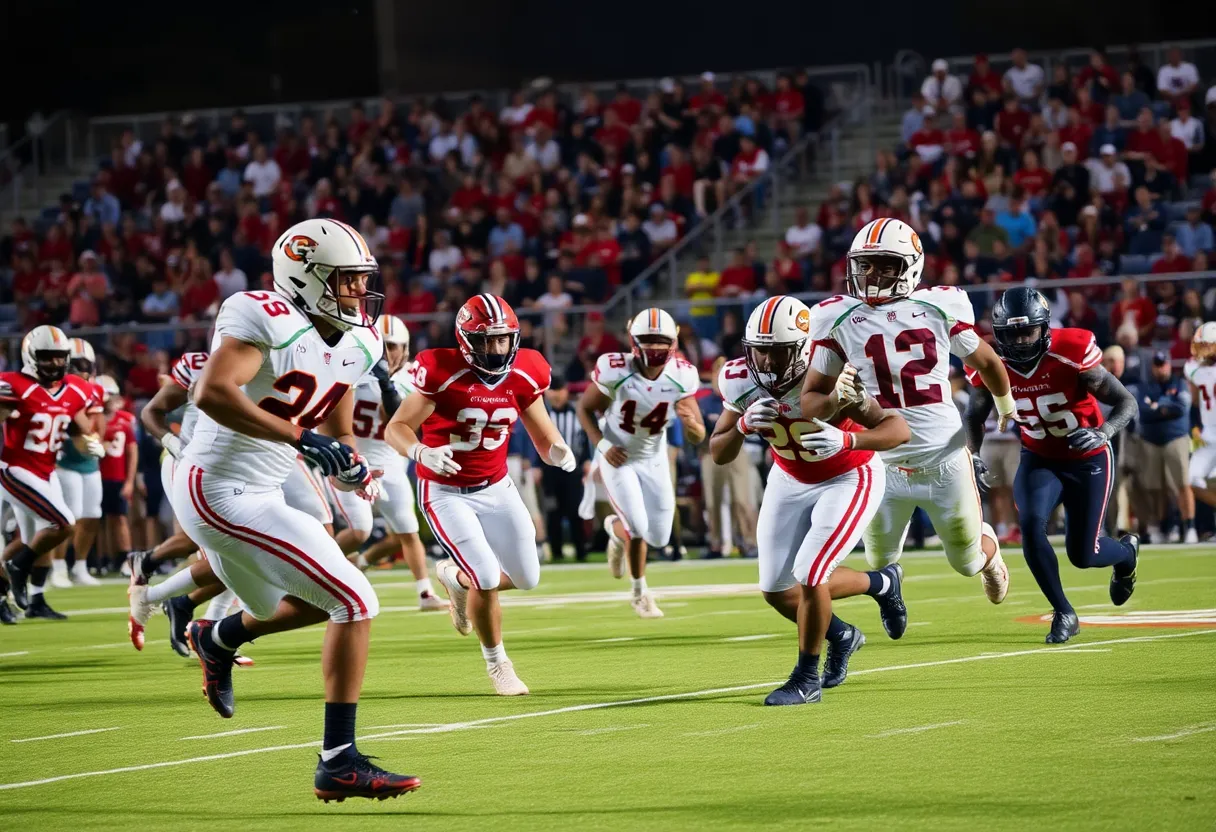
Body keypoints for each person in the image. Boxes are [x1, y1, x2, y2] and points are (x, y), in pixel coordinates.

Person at [163, 218, 419, 800]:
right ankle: (338, 761)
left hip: (265, 490)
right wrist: (301, 440)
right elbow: (213, 392)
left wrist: (350, 462)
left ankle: (219, 636)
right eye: (346, 280)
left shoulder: (361, 339)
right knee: (356, 599)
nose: (359, 291)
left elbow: (335, 417)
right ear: (305, 277)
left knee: (313, 599)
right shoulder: (263, 315)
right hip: (217, 486)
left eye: (361, 279)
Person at [801, 218, 1015, 604]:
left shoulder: (937, 307)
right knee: (880, 558)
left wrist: (1005, 403)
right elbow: (812, 398)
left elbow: (988, 361)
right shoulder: (838, 317)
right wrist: (837, 400)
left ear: (910, 266)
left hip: (943, 458)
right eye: (865, 264)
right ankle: (890, 593)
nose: (872, 274)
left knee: (966, 562)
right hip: (883, 463)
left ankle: (992, 556)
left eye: (885, 264)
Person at [710, 295, 910, 705]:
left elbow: (898, 430)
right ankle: (861, 609)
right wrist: (743, 425)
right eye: (758, 351)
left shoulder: (835, 373)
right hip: (789, 477)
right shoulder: (738, 378)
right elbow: (718, 451)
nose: (764, 362)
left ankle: (806, 678)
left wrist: (850, 436)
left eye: (776, 352)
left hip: (849, 474)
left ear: (802, 349)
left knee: (811, 572)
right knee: (775, 589)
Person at [387, 293, 577, 696]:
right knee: (487, 576)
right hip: (445, 491)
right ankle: (498, 664)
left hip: (497, 485)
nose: (495, 350)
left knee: (527, 577)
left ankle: (454, 578)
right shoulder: (441, 370)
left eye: (501, 340)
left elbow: (543, 435)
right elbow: (396, 427)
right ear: (465, 341)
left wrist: (558, 450)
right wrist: (420, 450)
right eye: (485, 341)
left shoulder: (527, 372)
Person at [967, 287, 1140, 644]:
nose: (1019, 341)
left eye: (1027, 331)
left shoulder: (1071, 351)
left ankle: (1125, 554)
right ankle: (1064, 611)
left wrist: (1104, 431)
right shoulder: (990, 361)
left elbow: (1126, 402)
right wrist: (973, 454)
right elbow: (974, 414)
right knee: (1030, 524)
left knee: (1084, 554)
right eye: (1011, 334)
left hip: (1086, 458)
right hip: (1039, 456)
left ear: (1044, 327)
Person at [576, 308, 706, 619]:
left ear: (674, 342)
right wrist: (603, 445)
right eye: (648, 340)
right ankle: (640, 592)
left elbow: (699, 435)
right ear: (633, 341)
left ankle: (615, 528)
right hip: (618, 455)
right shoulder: (615, 368)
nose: (655, 347)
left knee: (659, 537)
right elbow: (585, 408)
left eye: (661, 340)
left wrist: (693, 428)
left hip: (653, 456)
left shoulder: (682, 374)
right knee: (637, 524)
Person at [316, 315, 447, 614]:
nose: (388, 354)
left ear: (406, 348)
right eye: (383, 346)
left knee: (408, 530)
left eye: (394, 347)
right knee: (359, 530)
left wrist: (387, 384)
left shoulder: (413, 378)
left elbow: (403, 423)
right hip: (352, 462)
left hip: (390, 464)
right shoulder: (353, 369)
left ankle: (425, 593)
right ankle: (313, 570)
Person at [0, 326, 105, 623]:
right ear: (30, 356)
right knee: (63, 523)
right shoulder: (13, 384)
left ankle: (33, 597)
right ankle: (18, 569)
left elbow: (77, 429)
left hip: (46, 471)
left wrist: (90, 445)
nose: (55, 364)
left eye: (60, 358)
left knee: (35, 539)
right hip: (15, 468)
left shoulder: (75, 388)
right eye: (47, 357)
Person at [51, 338, 106, 587]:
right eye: (75, 365)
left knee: (92, 515)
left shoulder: (96, 389)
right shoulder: (56, 388)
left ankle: (80, 566)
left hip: (88, 462)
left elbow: (99, 421)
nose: (81, 371)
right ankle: (59, 567)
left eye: (85, 365)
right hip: (65, 460)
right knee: (68, 517)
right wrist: (89, 437)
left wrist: (96, 441)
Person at [698, 357, 758, 558]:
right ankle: (715, 543)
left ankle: (748, 542)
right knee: (712, 500)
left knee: (742, 499)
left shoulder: (738, 397)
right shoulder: (705, 402)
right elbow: (698, 431)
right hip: (708, 452)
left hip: (737, 450)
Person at [1133, 353, 1196, 544]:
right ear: (1153, 366)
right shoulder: (1145, 386)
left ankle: (1189, 526)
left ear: (1169, 365)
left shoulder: (1179, 383)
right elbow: (1143, 413)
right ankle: (1164, 526)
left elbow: (1182, 407)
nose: (1161, 368)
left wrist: (1157, 406)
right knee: (1155, 488)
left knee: (1183, 484)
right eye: (1157, 365)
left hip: (1176, 438)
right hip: (1151, 441)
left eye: (1164, 364)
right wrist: (1165, 407)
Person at [542, 375, 590, 562]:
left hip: (573, 469)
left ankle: (581, 549)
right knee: (553, 509)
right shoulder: (543, 415)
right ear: (546, 392)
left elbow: (584, 439)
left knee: (575, 508)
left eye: (560, 390)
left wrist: (587, 460)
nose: (556, 395)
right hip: (549, 469)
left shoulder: (577, 413)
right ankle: (556, 551)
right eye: (552, 390)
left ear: (566, 391)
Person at [97, 375, 138, 575]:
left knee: (119, 518)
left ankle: (124, 558)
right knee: (96, 520)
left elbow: (132, 451)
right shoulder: (92, 418)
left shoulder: (124, 420)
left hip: (116, 476)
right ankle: (100, 559)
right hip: (96, 475)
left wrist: (130, 481)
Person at [1185, 322, 1216, 512]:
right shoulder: (1193, 368)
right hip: (1208, 432)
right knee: (1192, 480)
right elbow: (1195, 401)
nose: (1202, 351)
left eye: (1207, 345)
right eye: (1200, 345)